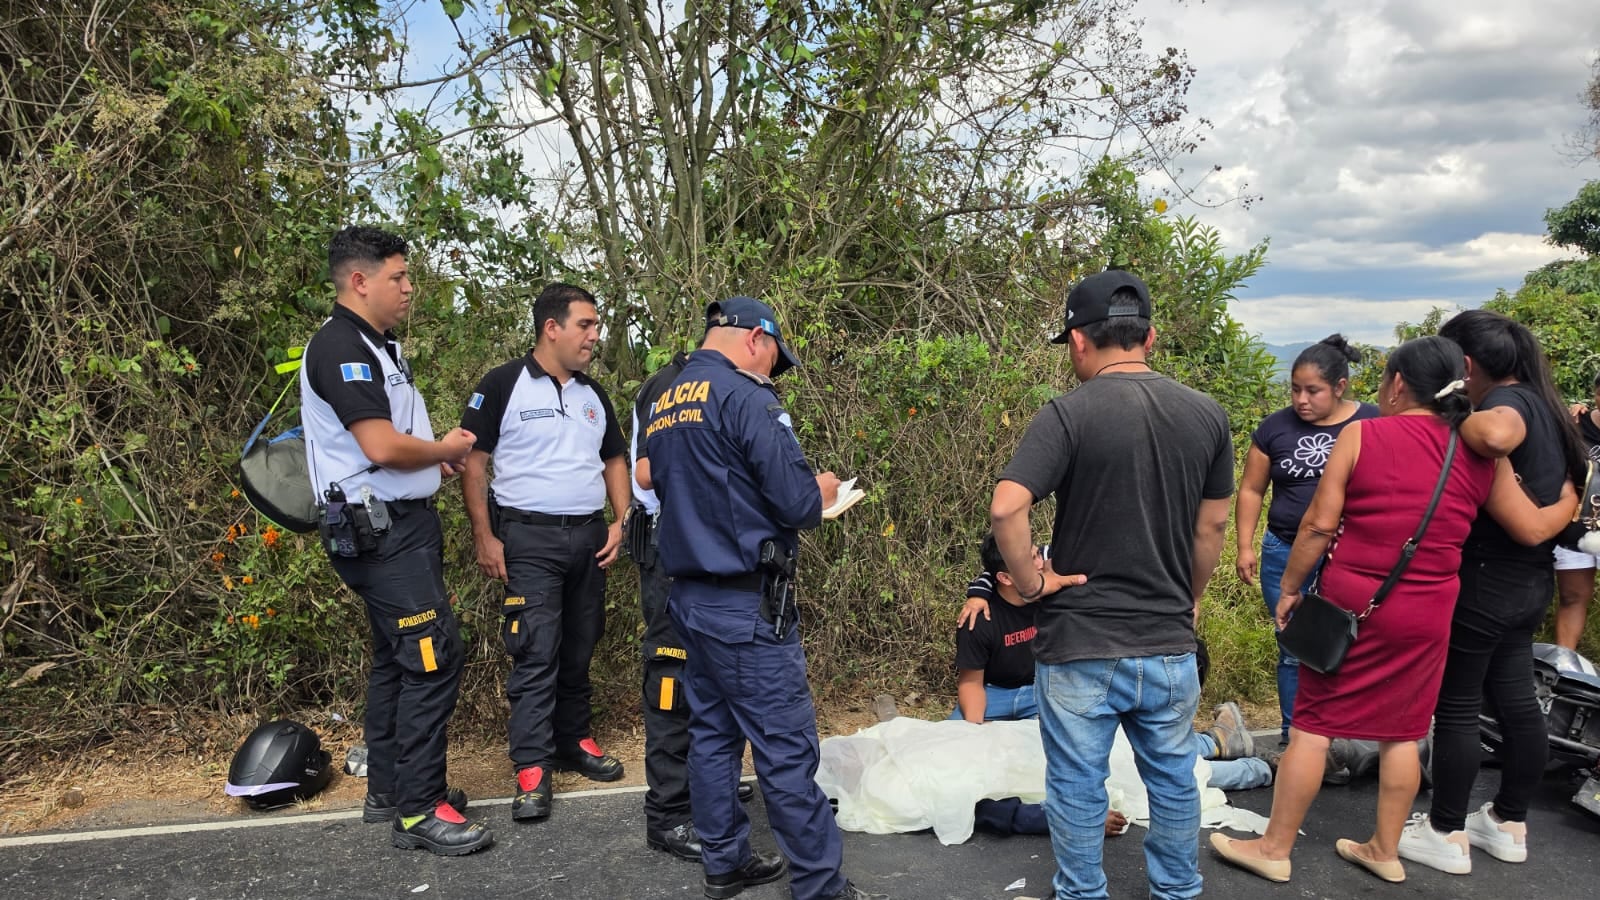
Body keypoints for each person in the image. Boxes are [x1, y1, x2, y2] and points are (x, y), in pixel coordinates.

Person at [1211, 336, 1573, 885]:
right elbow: (1529, 527)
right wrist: (1571, 497)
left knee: (1313, 724)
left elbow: (1318, 525)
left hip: (1355, 600)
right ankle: (1384, 849)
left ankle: (1274, 847)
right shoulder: (1479, 453)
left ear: (1398, 384)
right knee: (1403, 731)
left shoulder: (1364, 434)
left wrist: (1289, 588)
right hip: (1432, 607)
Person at [990, 270, 1232, 900]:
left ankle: (1081, 893)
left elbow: (1007, 507)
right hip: (1167, 639)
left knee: (1077, 783)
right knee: (1174, 778)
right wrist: (1190, 598)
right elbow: (1212, 526)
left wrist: (1031, 583)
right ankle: (1177, 891)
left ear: (1078, 341)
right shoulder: (1207, 414)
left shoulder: (1068, 414)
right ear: (1149, 337)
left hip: (1081, 640)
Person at [636, 296, 886, 900]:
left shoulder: (665, 400)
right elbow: (797, 503)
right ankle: (820, 886)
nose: (772, 373)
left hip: (688, 599)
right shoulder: (747, 398)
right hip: (744, 606)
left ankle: (724, 862)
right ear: (756, 339)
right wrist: (820, 487)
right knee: (785, 747)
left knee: (713, 736)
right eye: (774, 360)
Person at [299, 226, 492, 855]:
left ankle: (390, 789)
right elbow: (379, 446)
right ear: (359, 281)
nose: (409, 288)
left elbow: (382, 446)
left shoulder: (378, 346)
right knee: (432, 654)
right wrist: (444, 448)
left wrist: (431, 461)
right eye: (398, 277)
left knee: (396, 657)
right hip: (379, 533)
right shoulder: (340, 347)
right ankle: (419, 809)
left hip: (398, 525)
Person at [1399, 311, 1589, 875]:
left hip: (1485, 579)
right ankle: (1507, 823)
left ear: (1466, 364)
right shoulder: (1548, 405)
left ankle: (1444, 831)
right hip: (1530, 582)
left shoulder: (1507, 405)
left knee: (1458, 705)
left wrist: (1453, 409)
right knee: (1517, 702)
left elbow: (1497, 435)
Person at [460, 283, 631, 822]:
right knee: (536, 650)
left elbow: (615, 459)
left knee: (581, 644)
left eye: (596, 325)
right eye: (586, 325)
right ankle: (532, 765)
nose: (595, 335)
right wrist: (484, 537)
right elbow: (473, 463)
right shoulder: (502, 384)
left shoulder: (593, 394)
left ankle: (573, 740)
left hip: (589, 538)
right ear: (551, 328)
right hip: (528, 539)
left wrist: (621, 520)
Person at [954, 535, 1268, 792]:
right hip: (996, 694)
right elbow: (971, 684)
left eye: (1038, 555)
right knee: (954, 747)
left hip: (1046, 687)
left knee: (1105, 754)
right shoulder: (980, 616)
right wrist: (976, 734)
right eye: (1031, 560)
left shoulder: (1062, 586)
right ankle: (1218, 741)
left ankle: (1233, 756)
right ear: (1004, 578)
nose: (1040, 564)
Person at [625, 346, 755, 861]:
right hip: (668, 550)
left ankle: (706, 784)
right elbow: (645, 472)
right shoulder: (673, 385)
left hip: (703, 550)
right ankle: (670, 813)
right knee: (672, 679)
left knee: (712, 675)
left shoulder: (716, 384)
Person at [1235, 335, 1378, 745]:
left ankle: (1349, 737)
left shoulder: (1373, 422)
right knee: (1295, 646)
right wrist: (1245, 545)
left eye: (1313, 391)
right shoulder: (1274, 428)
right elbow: (1251, 489)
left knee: (1354, 645)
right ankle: (1295, 737)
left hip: (1352, 554)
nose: (1301, 400)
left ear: (1340, 386)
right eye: (1295, 389)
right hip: (1285, 550)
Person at [1554, 372, 1600, 649]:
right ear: (1596, 394)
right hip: (1576, 526)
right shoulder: (1575, 424)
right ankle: (1564, 663)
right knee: (1572, 597)